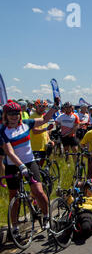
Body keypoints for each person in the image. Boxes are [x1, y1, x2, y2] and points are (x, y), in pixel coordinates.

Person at [0, 100, 59, 238]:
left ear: (20, 114)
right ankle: (14, 227)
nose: (14, 116)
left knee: (38, 191)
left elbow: (45, 119)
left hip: (29, 161)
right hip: (12, 165)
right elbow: (9, 152)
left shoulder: (26, 124)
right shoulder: (2, 131)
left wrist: (54, 108)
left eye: (16, 113)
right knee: (14, 197)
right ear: (6, 115)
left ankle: (46, 215)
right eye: (11, 114)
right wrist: (20, 166)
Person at [30, 100, 54, 167]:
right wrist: (46, 129)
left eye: (43, 106)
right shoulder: (33, 116)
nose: (41, 108)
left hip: (43, 146)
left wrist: (49, 140)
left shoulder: (43, 117)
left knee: (40, 167)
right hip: (35, 147)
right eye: (39, 106)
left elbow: (45, 132)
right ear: (36, 107)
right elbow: (34, 131)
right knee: (35, 168)